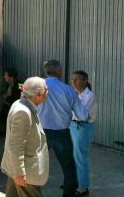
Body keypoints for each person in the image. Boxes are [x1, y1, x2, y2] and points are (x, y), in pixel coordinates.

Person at [37, 60, 88, 197]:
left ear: (46, 71)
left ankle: (31, 193)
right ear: (59, 72)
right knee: (68, 168)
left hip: (40, 132)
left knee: (33, 164)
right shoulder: (68, 90)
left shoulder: (35, 88)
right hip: (62, 133)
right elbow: (82, 115)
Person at [1, 77, 49, 197]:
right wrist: (19, 173)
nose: (48, 92)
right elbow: (16, 146)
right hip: (26, 173)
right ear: (38, 95)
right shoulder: (23, 112)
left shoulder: (21, 104)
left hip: (18, 169)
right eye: (46, 90)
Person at [69, 70, 96, 196]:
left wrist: (69, 110)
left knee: (81, 158)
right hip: (73, 126)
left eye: (77, 79)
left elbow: (82, 116)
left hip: (82, 127)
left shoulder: (89, 96)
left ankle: (83, 187)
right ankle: (75, 182)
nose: (73, 81)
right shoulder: (75, 93)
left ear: (85, 81)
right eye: (72, 78)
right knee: (73, 156)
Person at [0, 68, 23, 140]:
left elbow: (23, 96)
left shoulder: (20, 84)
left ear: (11, 77)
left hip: (15, 110)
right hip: (7, 109)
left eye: (5, 75)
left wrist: (6, 99)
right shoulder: (7, 85)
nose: (4, 77)